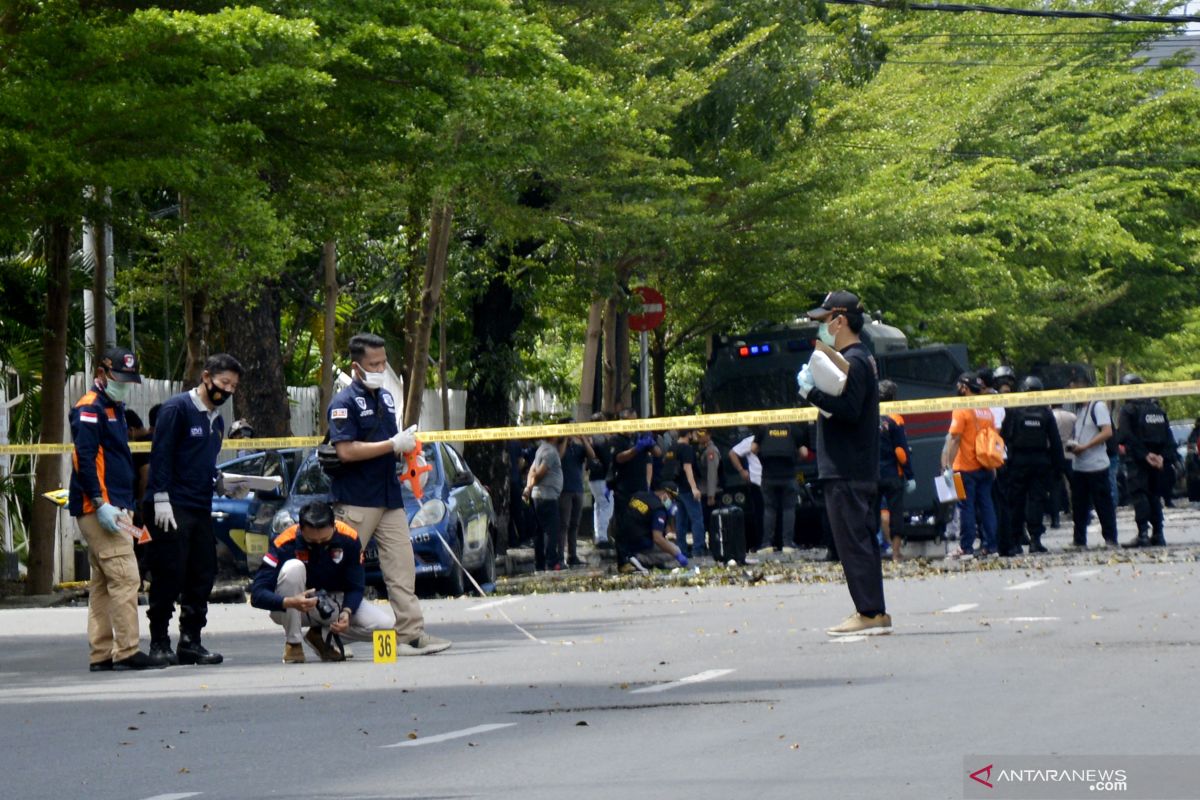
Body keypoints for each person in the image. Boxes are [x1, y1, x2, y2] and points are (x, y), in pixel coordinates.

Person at [326, 333, 450, 655]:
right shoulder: (343, 403)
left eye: (383, 362)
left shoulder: (387, 398)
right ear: (356, 367)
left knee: (401, 567)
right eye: (374, 364)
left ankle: (411, 633)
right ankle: (327, 633)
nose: (381, 368)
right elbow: (346, 451)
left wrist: (408, 457)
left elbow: (390, 442)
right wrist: (392, 445)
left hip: (389, 497)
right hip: (356, 499)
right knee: (339, 568)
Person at [797, 290, 890, 636]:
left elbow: (849, 411)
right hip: (855, 467)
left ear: (841, 320)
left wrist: (812, 394)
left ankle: (868, 612)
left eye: (825, 320)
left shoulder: (855, 360)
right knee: (860, 540)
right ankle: (873, 610)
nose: (822, 327)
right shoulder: (857, 357)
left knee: (853, 542)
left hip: (847, 468)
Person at [144, 353, 245, 667]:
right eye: (223, 383)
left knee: (202, 573)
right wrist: (160, 496)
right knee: (169, 574)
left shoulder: (216, 419)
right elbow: (161, 455)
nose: (227, 391)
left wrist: (221, 483)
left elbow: (204, 462)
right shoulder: (178, 409)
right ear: (206, 378)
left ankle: (191, 641)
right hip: (171, 505)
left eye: (233, 386)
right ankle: (159, 641)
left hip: (200, 505)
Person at [70, 348, 163, 672]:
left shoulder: (114, 408)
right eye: (119, 379)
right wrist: (100, 503)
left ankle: (101, 653)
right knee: (126, 579)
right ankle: (126, 650)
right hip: (102, 508)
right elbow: (84, 457)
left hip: (115, 506)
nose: (124, 385)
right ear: (101, 373)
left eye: (128, 380)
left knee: (103, 583)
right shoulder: (90, 409)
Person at [251, 501, 395, 663]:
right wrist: (289, 602)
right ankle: (294, 643)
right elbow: (257, 594)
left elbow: (356, 586)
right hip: (291, 607)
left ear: (334, 526)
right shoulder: (284, 542)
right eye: (312, 542)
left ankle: (321, 636)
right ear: (301, 529)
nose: (319, 545)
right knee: (293, 567)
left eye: (325, 540)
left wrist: (347, 612)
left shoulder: (349, 538)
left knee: (386, 626)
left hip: (333, 603)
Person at [1000, 376, 1065, 555]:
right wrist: (1059, 468)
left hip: (1018, 462)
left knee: (1016, 501)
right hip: (1040, 461)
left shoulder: (1014, 411)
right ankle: (1035, 540)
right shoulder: (1045, 413)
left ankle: (1015, 542)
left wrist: (1004, 462)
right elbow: (1055, 441)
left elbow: (1005, 437)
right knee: (1036, 501)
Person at [941, 372, 999, 558]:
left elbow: (955, 438)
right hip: (985, 466)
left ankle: (966, 547)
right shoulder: (986, 410)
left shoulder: (962, 408)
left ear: (964, 388)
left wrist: (947, 465)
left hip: (964, 468)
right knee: (987, 506)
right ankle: (991, 546)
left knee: (966, 507)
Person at [1118, 374, 1176, 548]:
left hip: (1138, 460)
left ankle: (1143, 533)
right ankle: (1158, 534)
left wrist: (1145, 455)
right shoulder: (1157, 409)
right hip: (1157, 461)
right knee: (1154, 496)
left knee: (1139, 494)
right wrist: (1162, 458)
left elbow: (1125, 436)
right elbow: (1168, 437)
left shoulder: (1128, 410)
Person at [1067, 371, 1119, 548]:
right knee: (1079, 506)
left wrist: (1086, 446)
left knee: (1103, 504)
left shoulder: (1098, 406)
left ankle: (1111, 539)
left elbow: (1107, 431)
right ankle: (1079, 540)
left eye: (1074, 389)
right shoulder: (1080, 410)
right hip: (1079, 466)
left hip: (1097, 466)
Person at [753, 423, 808, 555]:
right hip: (788, 476)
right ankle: (788, 544)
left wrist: (763, 458)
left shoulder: (764, 430)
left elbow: (753, 449)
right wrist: (796, 459)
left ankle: (766, 544)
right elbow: (805, 453)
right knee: (789, 509)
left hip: (768, 477)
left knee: (769, 509)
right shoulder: (793, 429)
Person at [609, 409, 655, 562]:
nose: (634, 424)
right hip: (624, 489)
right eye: (631, 421)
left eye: (636, 420)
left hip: (640, 489)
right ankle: (624, 560)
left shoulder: (638, 437)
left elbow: (658, 453)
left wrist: (651, 443)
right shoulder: (616, 439)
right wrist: (636, 449)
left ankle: (639, 557)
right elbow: (620, 458)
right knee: (623, 526)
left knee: (639, 524)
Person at [877, 380, 914, 563]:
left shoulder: (869, 417)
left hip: (872, 475)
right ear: (893, 397)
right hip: (893, 474)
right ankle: (896, 554)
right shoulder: (895, 418)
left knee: (872, 513)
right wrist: (910, 475)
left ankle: (872, 553)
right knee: (896, 514)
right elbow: (901, 451)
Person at [618, 481, 690, 574]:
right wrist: (678, 555)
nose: (672, 502)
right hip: (639, 542)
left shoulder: (640, 495)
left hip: (622, 539)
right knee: (675, 550)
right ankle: (640, 559)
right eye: (672, 499)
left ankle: (640, 559)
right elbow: (658, 538)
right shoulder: (659, 509)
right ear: (665, 494)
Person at [524, 434, 564, 571]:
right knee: (551, 531)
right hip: (547, 496)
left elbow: (531, 471)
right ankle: (551, 562)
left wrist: (528, 488)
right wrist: (530, 485)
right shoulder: (550, 452)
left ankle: (539, 564)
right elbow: (539, 473)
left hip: (539, 496)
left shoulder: (541, 449)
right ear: (553, 436)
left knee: (540, 532)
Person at [558, 426, 594, 567]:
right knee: (564, 524)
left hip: (577, 489)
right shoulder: (558, 446)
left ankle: (572, 555)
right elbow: (559, 457)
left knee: (575, 524)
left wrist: (584, 439)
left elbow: (592, 455)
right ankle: (561, 555)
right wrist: (565, 438)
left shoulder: (578, 448)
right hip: (564, 490)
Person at [671, 430, 707, 557]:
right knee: (697, 519)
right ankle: (698, 549)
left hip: (676, 489)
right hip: (687, 488)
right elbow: (687, 467)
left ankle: (681, 550)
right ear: (689, 434)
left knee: (681, 521)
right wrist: (694, 488)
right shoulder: (686, 448)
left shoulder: (672, 447)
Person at [728, 430, 765, 550]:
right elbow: (732, 453)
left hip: (772, 480)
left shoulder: (776, 437)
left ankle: (775, 542)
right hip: (757, 482)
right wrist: (741, 470)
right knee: (760, 514)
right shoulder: (750, 441)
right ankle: (762, 543)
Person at [586, 413, 615, 548]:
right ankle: (602, 537)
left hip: (594, 478)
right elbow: (608, 458)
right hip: (602, 478)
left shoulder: (591, 438)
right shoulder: (600, 439)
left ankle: (599, 536)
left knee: (598, 506)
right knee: (606, 506)